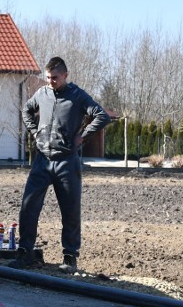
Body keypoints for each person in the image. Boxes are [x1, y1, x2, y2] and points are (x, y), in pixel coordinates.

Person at [10, 57, 110, 273]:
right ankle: (24, 252)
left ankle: (70, 257)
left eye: (55, 78)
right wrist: (35, 132)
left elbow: (101, 116)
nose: (50, 82)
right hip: (42, 160)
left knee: (70, 211)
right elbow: (26, 110)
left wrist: (83, 136)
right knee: (28, 207)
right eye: (48, 78)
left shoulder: (77, 96)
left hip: (67, 161)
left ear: (65, 75)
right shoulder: (42, 94)